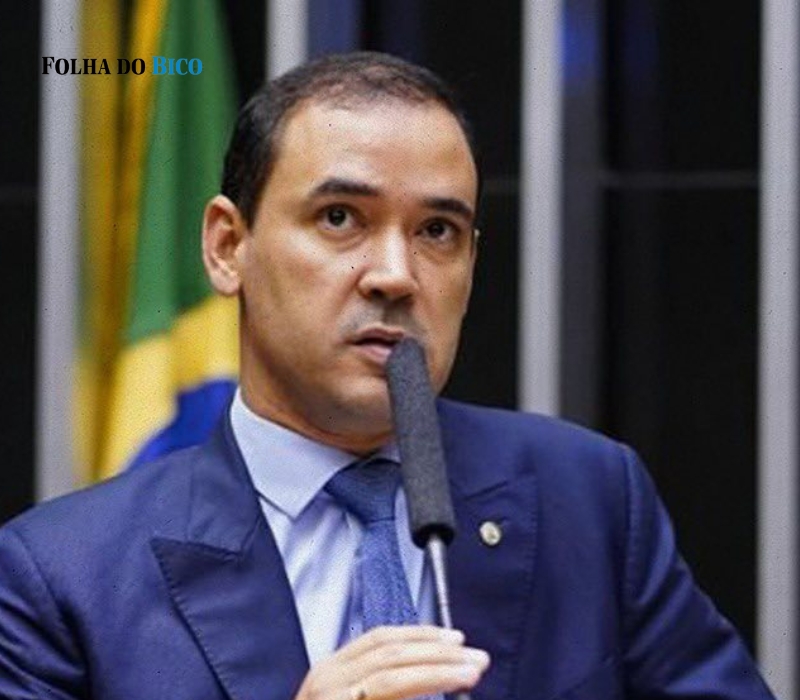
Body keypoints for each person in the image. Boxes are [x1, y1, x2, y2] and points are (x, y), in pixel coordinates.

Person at [0, 52, 775, 700]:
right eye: (340, 218)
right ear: (228, 246)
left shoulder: (590, 499)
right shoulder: (61, 578)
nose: (396, 275)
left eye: (437, 230)